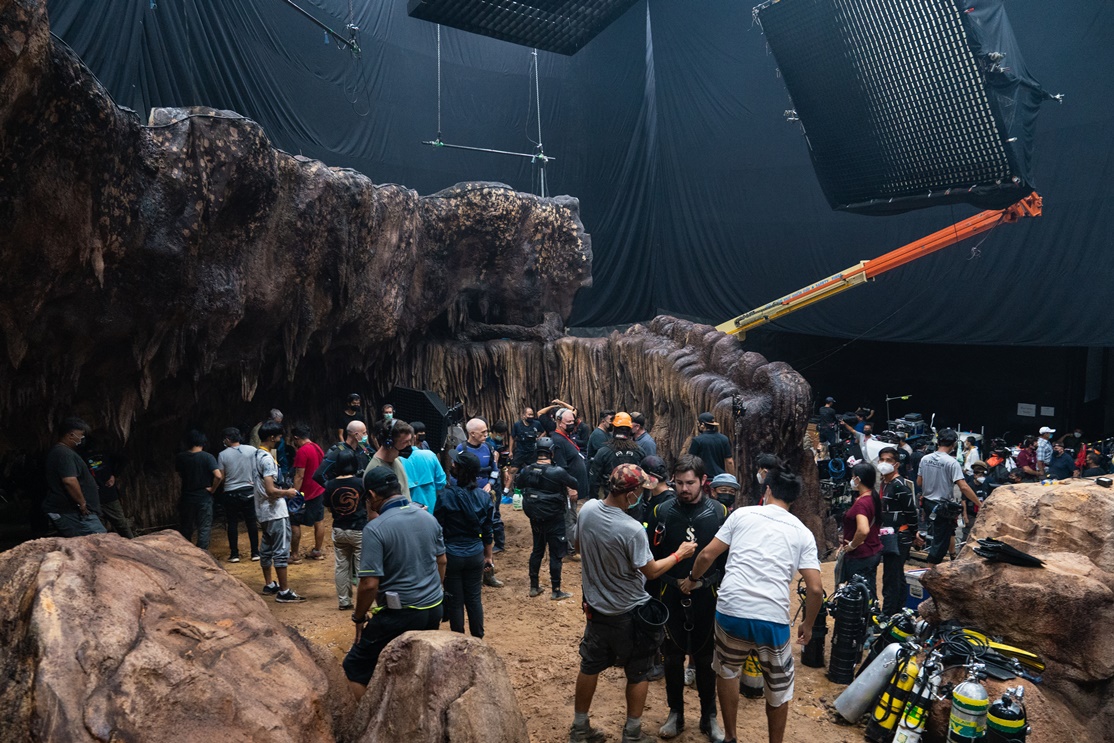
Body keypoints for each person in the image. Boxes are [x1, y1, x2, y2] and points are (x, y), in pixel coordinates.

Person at [682, 464, 823, 743]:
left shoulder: (741, 515)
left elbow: (707, 555)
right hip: (772, 617)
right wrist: (808, 624)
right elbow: (816, 588)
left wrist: (693, 579)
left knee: (727, 671)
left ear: (767, 490)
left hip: (732, 610)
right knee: (779, 689)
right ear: (793, 499)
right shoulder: (802, 532)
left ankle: (731, 736)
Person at [569, 464, 698, 743]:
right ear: (630, 494)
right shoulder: (631, 529)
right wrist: (680, 554)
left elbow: (578, 547)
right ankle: (632, 734)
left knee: (589, 666)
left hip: (596, 610)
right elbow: (650, 571)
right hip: (629, 613)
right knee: (639, 672)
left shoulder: (588, 509)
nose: (642, 495)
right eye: (640, 490)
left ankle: (579, 728)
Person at [343, 466, 446, 698]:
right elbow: (442, 561)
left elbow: (369, 584)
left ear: (371, 495)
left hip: (400, 614)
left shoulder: (375, 529)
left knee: (354, 667)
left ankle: (366, 718)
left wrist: (358, 617)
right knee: (414, 665)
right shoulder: (428, 518)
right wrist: (433, 591)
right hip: (433, 608)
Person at [648, 456, 729, 742]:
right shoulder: (661, 511)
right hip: (669, 594)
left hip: (706, 595)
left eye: (690, 483)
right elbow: (650, 557)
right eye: (679, 483)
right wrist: (652, 598)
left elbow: (726, 561)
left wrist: (704, 582)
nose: (684, 488)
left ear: (703, 481)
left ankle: (709, 716)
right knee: (672, 658)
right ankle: (675, 713)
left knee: (706, 659)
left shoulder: (719, 512)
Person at [435, 450, 494, 637]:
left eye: (456, 464)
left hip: (451, 555)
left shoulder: (444, 496)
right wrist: (488, 556)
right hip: (475, 553)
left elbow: (439, 529)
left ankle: (458, 640)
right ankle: (478, 639)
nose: (452, 465)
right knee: (474, 599)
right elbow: (487, 530)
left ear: (461, 470)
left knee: (455, 601)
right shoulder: (484, 497)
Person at [516, 436, 578, 599]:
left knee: (537, 550)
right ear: (552, 452)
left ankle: (534, 586)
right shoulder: (558, 472)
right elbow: (574, 483)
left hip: (535, 517)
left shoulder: (527, 470)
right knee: (556, 554)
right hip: (554, 518)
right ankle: (556, 590)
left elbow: (519, 484)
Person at [253, 421, 306, 603]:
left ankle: (269, 583)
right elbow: (270, 490)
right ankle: (284, 591)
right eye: (279, 436)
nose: (280, 439)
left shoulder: (257, 454)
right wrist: (288, 492)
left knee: (266, 548)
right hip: (275, 511)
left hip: (262, 510)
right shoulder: (267, 459)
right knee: (281, 550)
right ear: (272, 437)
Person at [918, 429, 981, 564]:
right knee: (940, 543)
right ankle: (930, 569)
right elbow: (963, 487)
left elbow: (919, 482)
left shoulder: (925, 459)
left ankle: (947, 559)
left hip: (928, 503)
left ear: (938, 441)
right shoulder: (952, 463)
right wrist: (979, 504)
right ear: (954, 444)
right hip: (941, 507)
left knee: (937, 536)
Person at [454, 417, 505, 572]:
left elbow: (495, 469)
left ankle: (490, 567)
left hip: (487, 495)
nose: (486, 434)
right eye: (482, 432)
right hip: (468, 496)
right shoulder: (461, 449)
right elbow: (454, 475)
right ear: (472, 433)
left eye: (486, 431)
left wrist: (490, 483)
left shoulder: (488, 447)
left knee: (489, 524)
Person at [43, 417, 106, 536]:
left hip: (74, 511)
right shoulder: (64, 454)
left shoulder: (64, 452)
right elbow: (70, 481)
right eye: (81, 435)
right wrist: (82, 503)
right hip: (73, 512)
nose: (82, 439)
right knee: (98, 542)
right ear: (71, 435)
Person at [877, 447, 918, 616]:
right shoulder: (885, 484)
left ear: (896, 464)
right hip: (889, 536)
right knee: (896, 576)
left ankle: (887, 614)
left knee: (891, 577)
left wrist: (914, 533)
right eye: (882, 459)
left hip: (899, 537)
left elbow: (911, 512)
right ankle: (899, 611)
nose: (884, 463)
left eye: (888, 460)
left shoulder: (900, 486)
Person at [324, 449, 366, 610]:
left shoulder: (330, 484)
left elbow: (329, 508)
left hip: (339, 529)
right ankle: (363, 602)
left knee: (341, 566)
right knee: (362, 567)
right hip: (359, 529)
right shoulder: (360, 483)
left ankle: (344, 601)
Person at [837, 462, 883, 594]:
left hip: (861, 555)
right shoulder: (872, 497)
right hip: (872, 550)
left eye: (853, 477)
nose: (852, 480)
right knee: (869, 589)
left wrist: (852, 545)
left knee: (857, 593)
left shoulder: (862, 503)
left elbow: (863, 530)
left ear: (858, 479)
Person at [175, 430, 222, 550]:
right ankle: (202, 552)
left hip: (187, 496)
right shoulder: (208, 457)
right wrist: (213, 489)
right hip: (203, 496)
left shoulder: (181, 457)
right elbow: (218, 476)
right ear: (203, 442)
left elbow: (179, 474)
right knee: (204, 527)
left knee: (186, 526)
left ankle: (186, 551)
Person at [218, 427, 260, 562]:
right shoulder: (252, 450)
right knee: (251, 522)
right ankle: (255, 552)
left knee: (232, 523)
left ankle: (234, 554)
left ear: (227, 439)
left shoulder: (222, 455)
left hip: (231, 492)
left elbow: (221, 476)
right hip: (249, 490)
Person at [552, 408, 589, 552]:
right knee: (570, 519)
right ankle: (571, 549)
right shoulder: (557, 440)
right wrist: (570, 488)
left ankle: (572, 546)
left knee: (572, 516)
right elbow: (562, 468)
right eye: (568, 422)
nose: (571, 425)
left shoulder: (567, 437)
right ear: (559, 422)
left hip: (575, 487)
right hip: (568, 489)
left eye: (573, 422)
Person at [589, 412, 646, 499]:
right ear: (630, 430)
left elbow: (594, 480)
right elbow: (646, 478)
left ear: (613, 428)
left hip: (611, 500)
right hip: (633, 500)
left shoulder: (603, 452)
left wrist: (593, 501)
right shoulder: (639, 451)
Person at [290, 424, 326, 561]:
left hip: (305, 492)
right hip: (318, 489)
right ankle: (317, 551)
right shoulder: (317, 447)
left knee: (294, 521)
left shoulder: (302, 451)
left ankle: (294, 555)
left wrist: (295, 493)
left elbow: (299, 475)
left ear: (296, 438)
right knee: (319, 520)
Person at [84, 444, 135, 538]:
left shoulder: (105, 454)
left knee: (121, 523)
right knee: (97, 529)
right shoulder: (79, 457)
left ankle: (132, 543)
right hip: (91, 499)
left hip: (108, 495)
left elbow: (124, 459)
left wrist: (114, 474)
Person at [402, 422, 447, 510]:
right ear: (413, 436)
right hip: (430, 508)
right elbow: (441, 482)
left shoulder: (397, 460)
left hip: (407, 510)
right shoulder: (430, 455)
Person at [365, 418, 413, 500]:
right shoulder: (375, 470)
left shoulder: (397, 460)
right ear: (389, 444)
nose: (409, 445)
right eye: (405, 442)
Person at [314, 420, 372, 487]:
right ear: (356, 435)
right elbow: (318, 475)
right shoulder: (338, 452)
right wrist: (333, 487)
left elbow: (374, 458)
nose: (366, 435)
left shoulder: (364, 447)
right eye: (364, 433)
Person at [689, 412, 734, 478]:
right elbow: (729, 461)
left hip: (703, 479)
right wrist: (732, 478)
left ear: (702, 424)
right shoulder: (724, 439)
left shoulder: (697, 440)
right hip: (720, 479)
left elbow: (691, 461)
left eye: (698, 424)